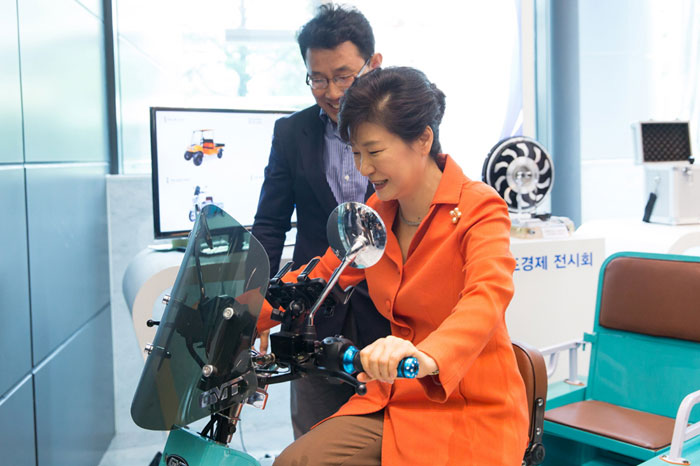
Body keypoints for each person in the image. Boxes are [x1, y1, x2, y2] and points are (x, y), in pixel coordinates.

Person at [258, 67, 529, 465]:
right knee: (297, 461)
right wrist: (249, 314)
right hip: (396, 397)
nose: (363, 168)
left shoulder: (478, 207)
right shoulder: (376, 214)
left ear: (423, 139)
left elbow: (486, 299)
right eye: (355, 153)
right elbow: (320, 278)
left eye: (374, 151)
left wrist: (428, 355)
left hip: (470, 403)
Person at [251, 4, 389, 438]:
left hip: (387, 309)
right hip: (311, 311)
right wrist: (255, 300)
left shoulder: (402, 131)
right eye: (318, 78)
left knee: (386, 436)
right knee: (313, 438)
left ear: (374, 65)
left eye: (344, 75)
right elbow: (270, 224)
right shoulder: (291, 134)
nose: (331, 91)